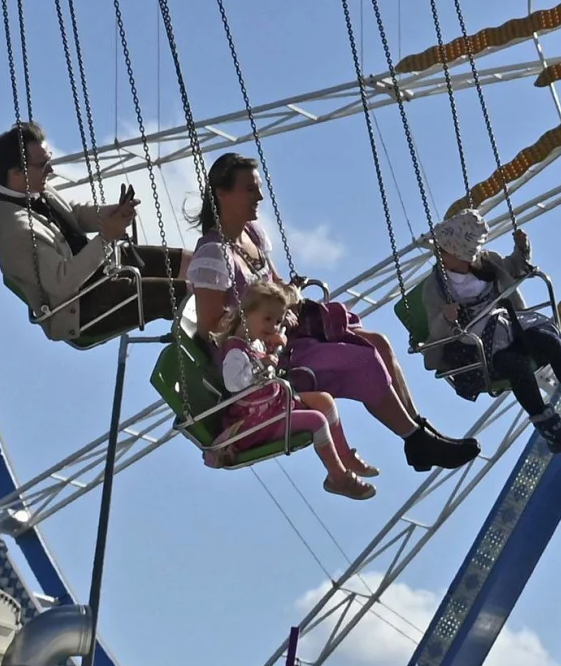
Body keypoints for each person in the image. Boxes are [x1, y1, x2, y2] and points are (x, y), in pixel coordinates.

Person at [188, 152, 480, 471]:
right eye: (249, 189)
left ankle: (418, 430)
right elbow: (211, 330)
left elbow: (275, 285)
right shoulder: (214, 256)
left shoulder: (253, 236)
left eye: (258, 188)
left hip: (289, 333)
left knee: (378, 343)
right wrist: (262, 330)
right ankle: (417, 441)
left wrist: (288, 297)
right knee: (362, 360)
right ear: (222, 193)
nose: (259, 196)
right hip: (264, 361)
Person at [0, 122, 190, 346]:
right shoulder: (17, 231)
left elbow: (72, 213)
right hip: (82, 306)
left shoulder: (33, 187)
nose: (50, 170)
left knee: (190, 262)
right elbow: (63, 283)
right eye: (43, 165)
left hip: (99, 269)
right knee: (187, 292)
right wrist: (105, 238)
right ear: (16, 172)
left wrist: (113, 213)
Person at [417, 203, 561, 450]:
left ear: (460, 253)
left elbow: (514, 267)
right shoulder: (436, 287)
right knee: (516, 367)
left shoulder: (488, 262)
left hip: (510, 326)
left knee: (549, 339)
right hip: (478, 349)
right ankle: (552, 430)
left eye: (443, 250)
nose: (438, 255)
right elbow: (436, 333)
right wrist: (447, 319)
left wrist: (522, 248)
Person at [219, 280, 377, 499]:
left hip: (272, 404)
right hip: (255, 422)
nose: (273, 326)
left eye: (277, 321)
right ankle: (337, 477)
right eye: (267, 319)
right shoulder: (236, 351)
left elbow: (264, 361)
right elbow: (234, 384)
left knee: (324, 400)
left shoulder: (254, 344)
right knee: (317, 421)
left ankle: (343, 454)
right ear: (246, 314)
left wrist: (272, 347)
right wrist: (264, 365)